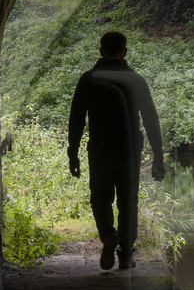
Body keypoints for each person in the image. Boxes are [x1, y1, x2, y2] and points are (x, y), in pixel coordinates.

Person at [67, 31, 166, 270]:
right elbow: (151, 120)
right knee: (127, 200)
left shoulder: (89, 79)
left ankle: (108, 235)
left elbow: (76, 118)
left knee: (100, 197)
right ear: (125, 52)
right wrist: (158, 157)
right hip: (129, 149)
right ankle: (126, 253)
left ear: (101, 51)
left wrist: (73, 152)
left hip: (100, 148)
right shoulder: (136, 80)